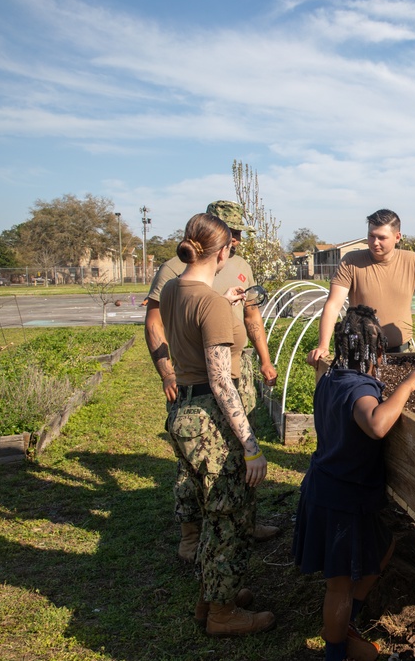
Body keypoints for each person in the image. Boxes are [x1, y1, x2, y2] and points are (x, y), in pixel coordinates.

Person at [293, 305, 415, 661]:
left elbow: (323, 368)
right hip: (341, 499)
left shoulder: (331, 377)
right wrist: (410, 383)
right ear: (379, 352)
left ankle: (348, 623)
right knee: (339, 584)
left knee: (383, 548)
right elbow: (377, 424)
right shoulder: (359, 389)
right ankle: (336, 650)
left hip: (328, 487)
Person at [145, 200, 281, 559]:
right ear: (219, 244)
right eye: (232, 234)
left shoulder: (180, 283)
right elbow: (220, 380)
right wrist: (166, 373)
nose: (236, 241)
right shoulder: (175, 273)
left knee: (226, 474)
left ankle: (239, 524)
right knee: (211, 480)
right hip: (206, 398)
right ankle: (199, 540)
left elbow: (241, 316)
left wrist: (262, 357)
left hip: (212, 392)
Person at [160, 212, 275, 636]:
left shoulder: (175, 288)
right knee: (227, 516)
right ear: (224, 250)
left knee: (211, 511)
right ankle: (224, 614)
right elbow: (222, 382)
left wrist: (223, 303)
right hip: (209, 417)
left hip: (182, 412)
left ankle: (209, 598)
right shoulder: (208, 302)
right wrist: (251, 445)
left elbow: (191, 318)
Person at [306, 209, 415, 367]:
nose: (375, 242)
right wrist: (323, 345)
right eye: (371, 236)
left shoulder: (412, 261)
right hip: (361, 355)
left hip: (402, 354)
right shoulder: (351, 261)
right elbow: (333, 304)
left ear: (397, 237)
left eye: (382, 237)